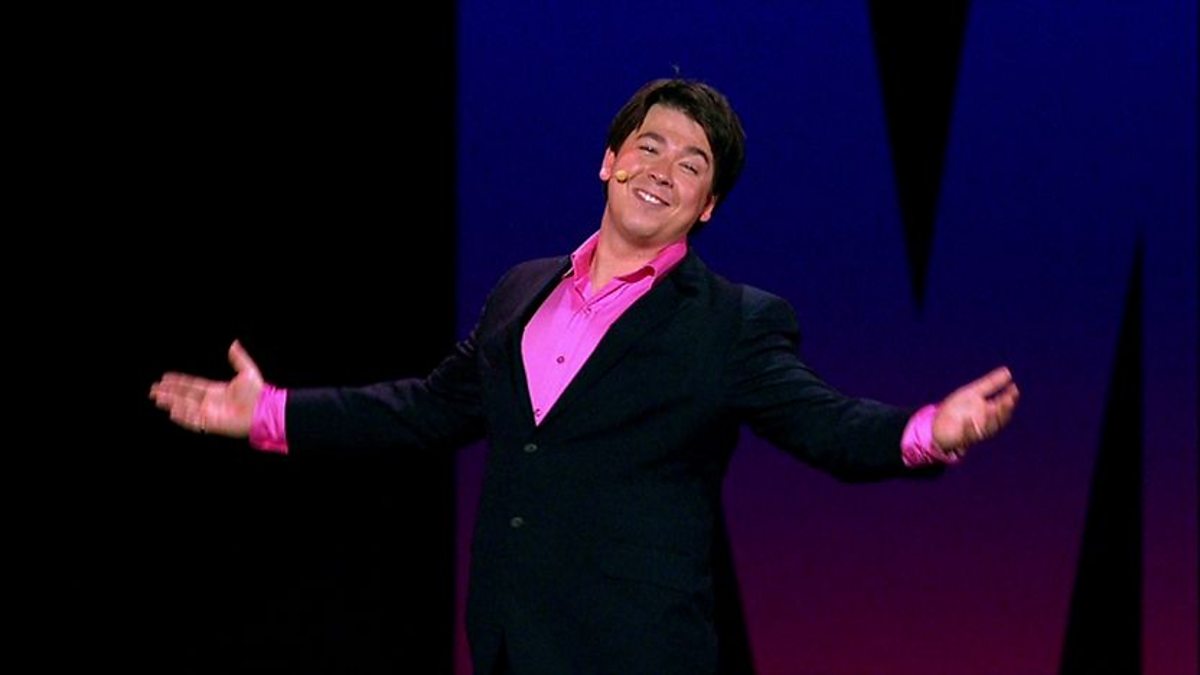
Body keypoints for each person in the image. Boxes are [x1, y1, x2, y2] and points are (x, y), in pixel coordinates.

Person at [150, 78, 1019, 674]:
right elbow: (428, 408)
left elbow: (822, 420)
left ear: (708, 205)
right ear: (610, 160)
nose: (663, 171)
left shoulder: (733, 323)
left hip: (635, 652)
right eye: (650, 146)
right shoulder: (522, 288)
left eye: (692, 165)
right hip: (507, 640)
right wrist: (270, 412)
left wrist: (925, 431)